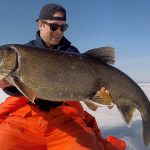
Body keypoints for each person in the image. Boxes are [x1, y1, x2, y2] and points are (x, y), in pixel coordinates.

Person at [0, 3, 126, 150]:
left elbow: (85, 89)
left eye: (63, 27)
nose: (59, 31)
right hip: (29, 115)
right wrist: (8, 85)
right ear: (40, 25)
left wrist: (102, 96)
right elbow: (19, 90)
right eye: (54, 26)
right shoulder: (25, 49)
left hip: (64, 117)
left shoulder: (72, 53)